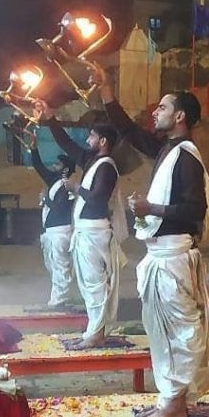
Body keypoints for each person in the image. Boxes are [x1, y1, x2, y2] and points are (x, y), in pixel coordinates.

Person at [91, 64, 209, 417]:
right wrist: (106, 91)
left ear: (180, 116)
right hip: (160, 256)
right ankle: (170, 398)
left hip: (175, 258)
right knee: (161, 332)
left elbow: (195, 210)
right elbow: (130, 132)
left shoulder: (186, 157)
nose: (155, 111)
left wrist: (153, 208)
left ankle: (176, 402)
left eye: (162, 107)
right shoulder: (168, 148)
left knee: (180, 331)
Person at [36, 106, 127, 347]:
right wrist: (50, 119)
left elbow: (97, 198)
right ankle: (94, 330)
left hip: (95, 232)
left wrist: (76, 189)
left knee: (95, 283)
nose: (87, 140)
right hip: (86, 231)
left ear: (103, 141)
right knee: (89, 284)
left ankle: (96, 333)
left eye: (92, 137)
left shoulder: (107, 166)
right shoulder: (92, 160)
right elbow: (67, 144)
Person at [30, 142, 78, 308]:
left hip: (61, 232)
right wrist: (34, 148)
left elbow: (59, 207)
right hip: (51, 232)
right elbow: (38, 166)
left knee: (61, 267)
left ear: (65, 169)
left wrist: (45, 199)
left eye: (58, 164)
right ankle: (58, 298)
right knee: (53, 267)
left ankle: (59, 300)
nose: (54, 166)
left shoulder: (67, 186)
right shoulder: (54, 181)